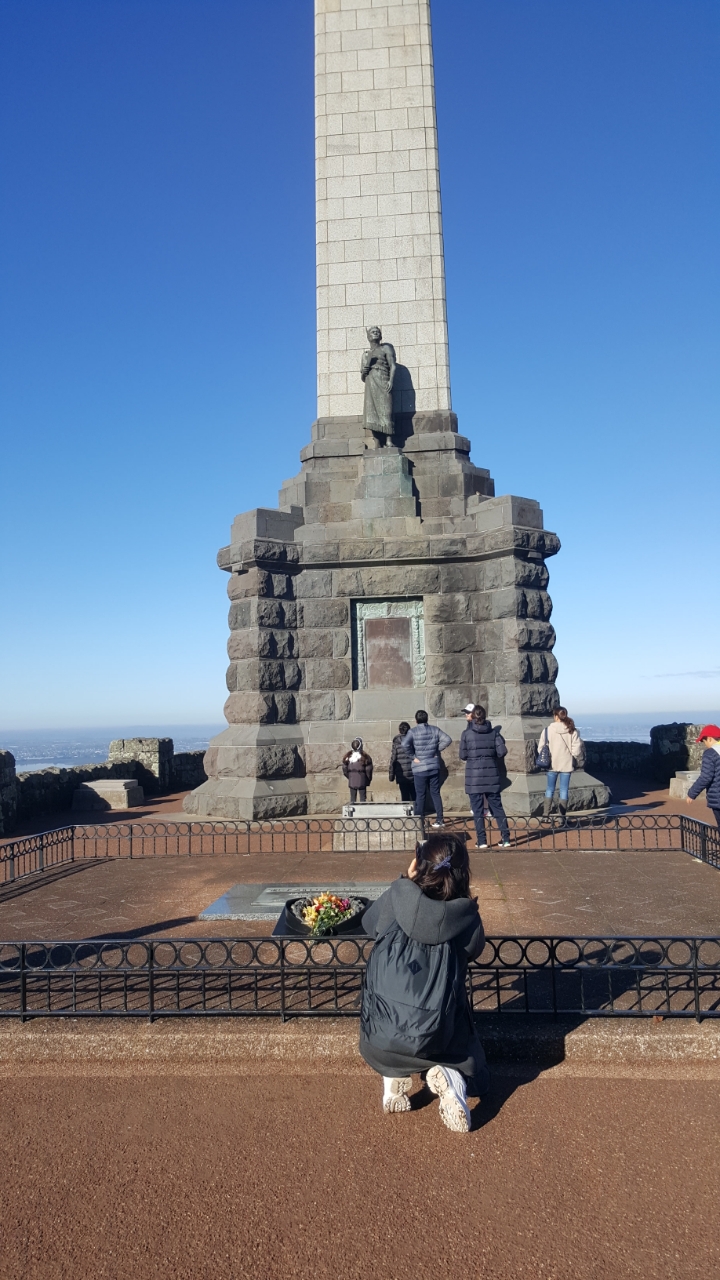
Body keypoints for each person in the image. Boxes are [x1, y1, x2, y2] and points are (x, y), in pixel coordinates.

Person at [359, 831, 489, 1133]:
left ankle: (393, 1079)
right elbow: (475, 949)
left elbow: (368, 923)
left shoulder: (396, 896)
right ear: (462, 873)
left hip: (380, 1039)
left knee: (391, 1008)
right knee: (459, 1032)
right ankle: (451, 1078)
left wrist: (405, 880)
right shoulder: (465, 916)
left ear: (419, 864)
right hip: (436, 1036)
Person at [458, 704, 511, 849]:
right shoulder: (493, 733)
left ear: (473, 716)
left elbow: (462, 755)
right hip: (491, 774)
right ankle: (506, 838)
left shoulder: (466, 734)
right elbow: (502, 751)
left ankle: (482, 841)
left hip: (474, 776)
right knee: (497, 808)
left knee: (477, 811)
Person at [402, 710, 452, 828]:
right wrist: (436, 750)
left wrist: (413, 757)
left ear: (416, 720)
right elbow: (447, 739)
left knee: (420, 795)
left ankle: (420, 821)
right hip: (433, 766)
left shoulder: (413, 732)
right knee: (435, 793)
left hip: (419, 768)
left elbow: (404, 744)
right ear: (427, 719)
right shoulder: (435, 729)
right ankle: (440, 819)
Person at [538, 707, 584, 819]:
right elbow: (577, 749)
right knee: (564, 790)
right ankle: (561, 817)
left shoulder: (547, 730)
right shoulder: (572, 730)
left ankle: (546, 815)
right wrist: (572, 756)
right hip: (566, 764)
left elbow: (541, 748)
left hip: (552, 764)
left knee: (550, 789)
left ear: (556, 716)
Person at [686, 725, 720, 829]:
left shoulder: (710, 753)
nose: (705, 744)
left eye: (704, 741)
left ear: (709, 738)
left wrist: (692, 793)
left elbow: (706, 777)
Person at [388, 721, 416, 803]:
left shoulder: (396, 742)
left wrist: (391, 775)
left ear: (399, 730)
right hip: (413, 772)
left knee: (404, 796)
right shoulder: (413, 740)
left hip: (401, 774)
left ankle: (406, 810)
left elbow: (393, 759)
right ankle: (417, 809)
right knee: (415, 795)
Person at [342, 738, 373, 803]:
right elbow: (369, 771)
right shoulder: (365, 757)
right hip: (362, 780)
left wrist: (350, 777)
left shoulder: (347, 757)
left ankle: (352, 809)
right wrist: (368, 779)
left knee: (352, 799)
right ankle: (362, 809)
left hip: (352, 781)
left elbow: (345, 770)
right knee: (362, 799)